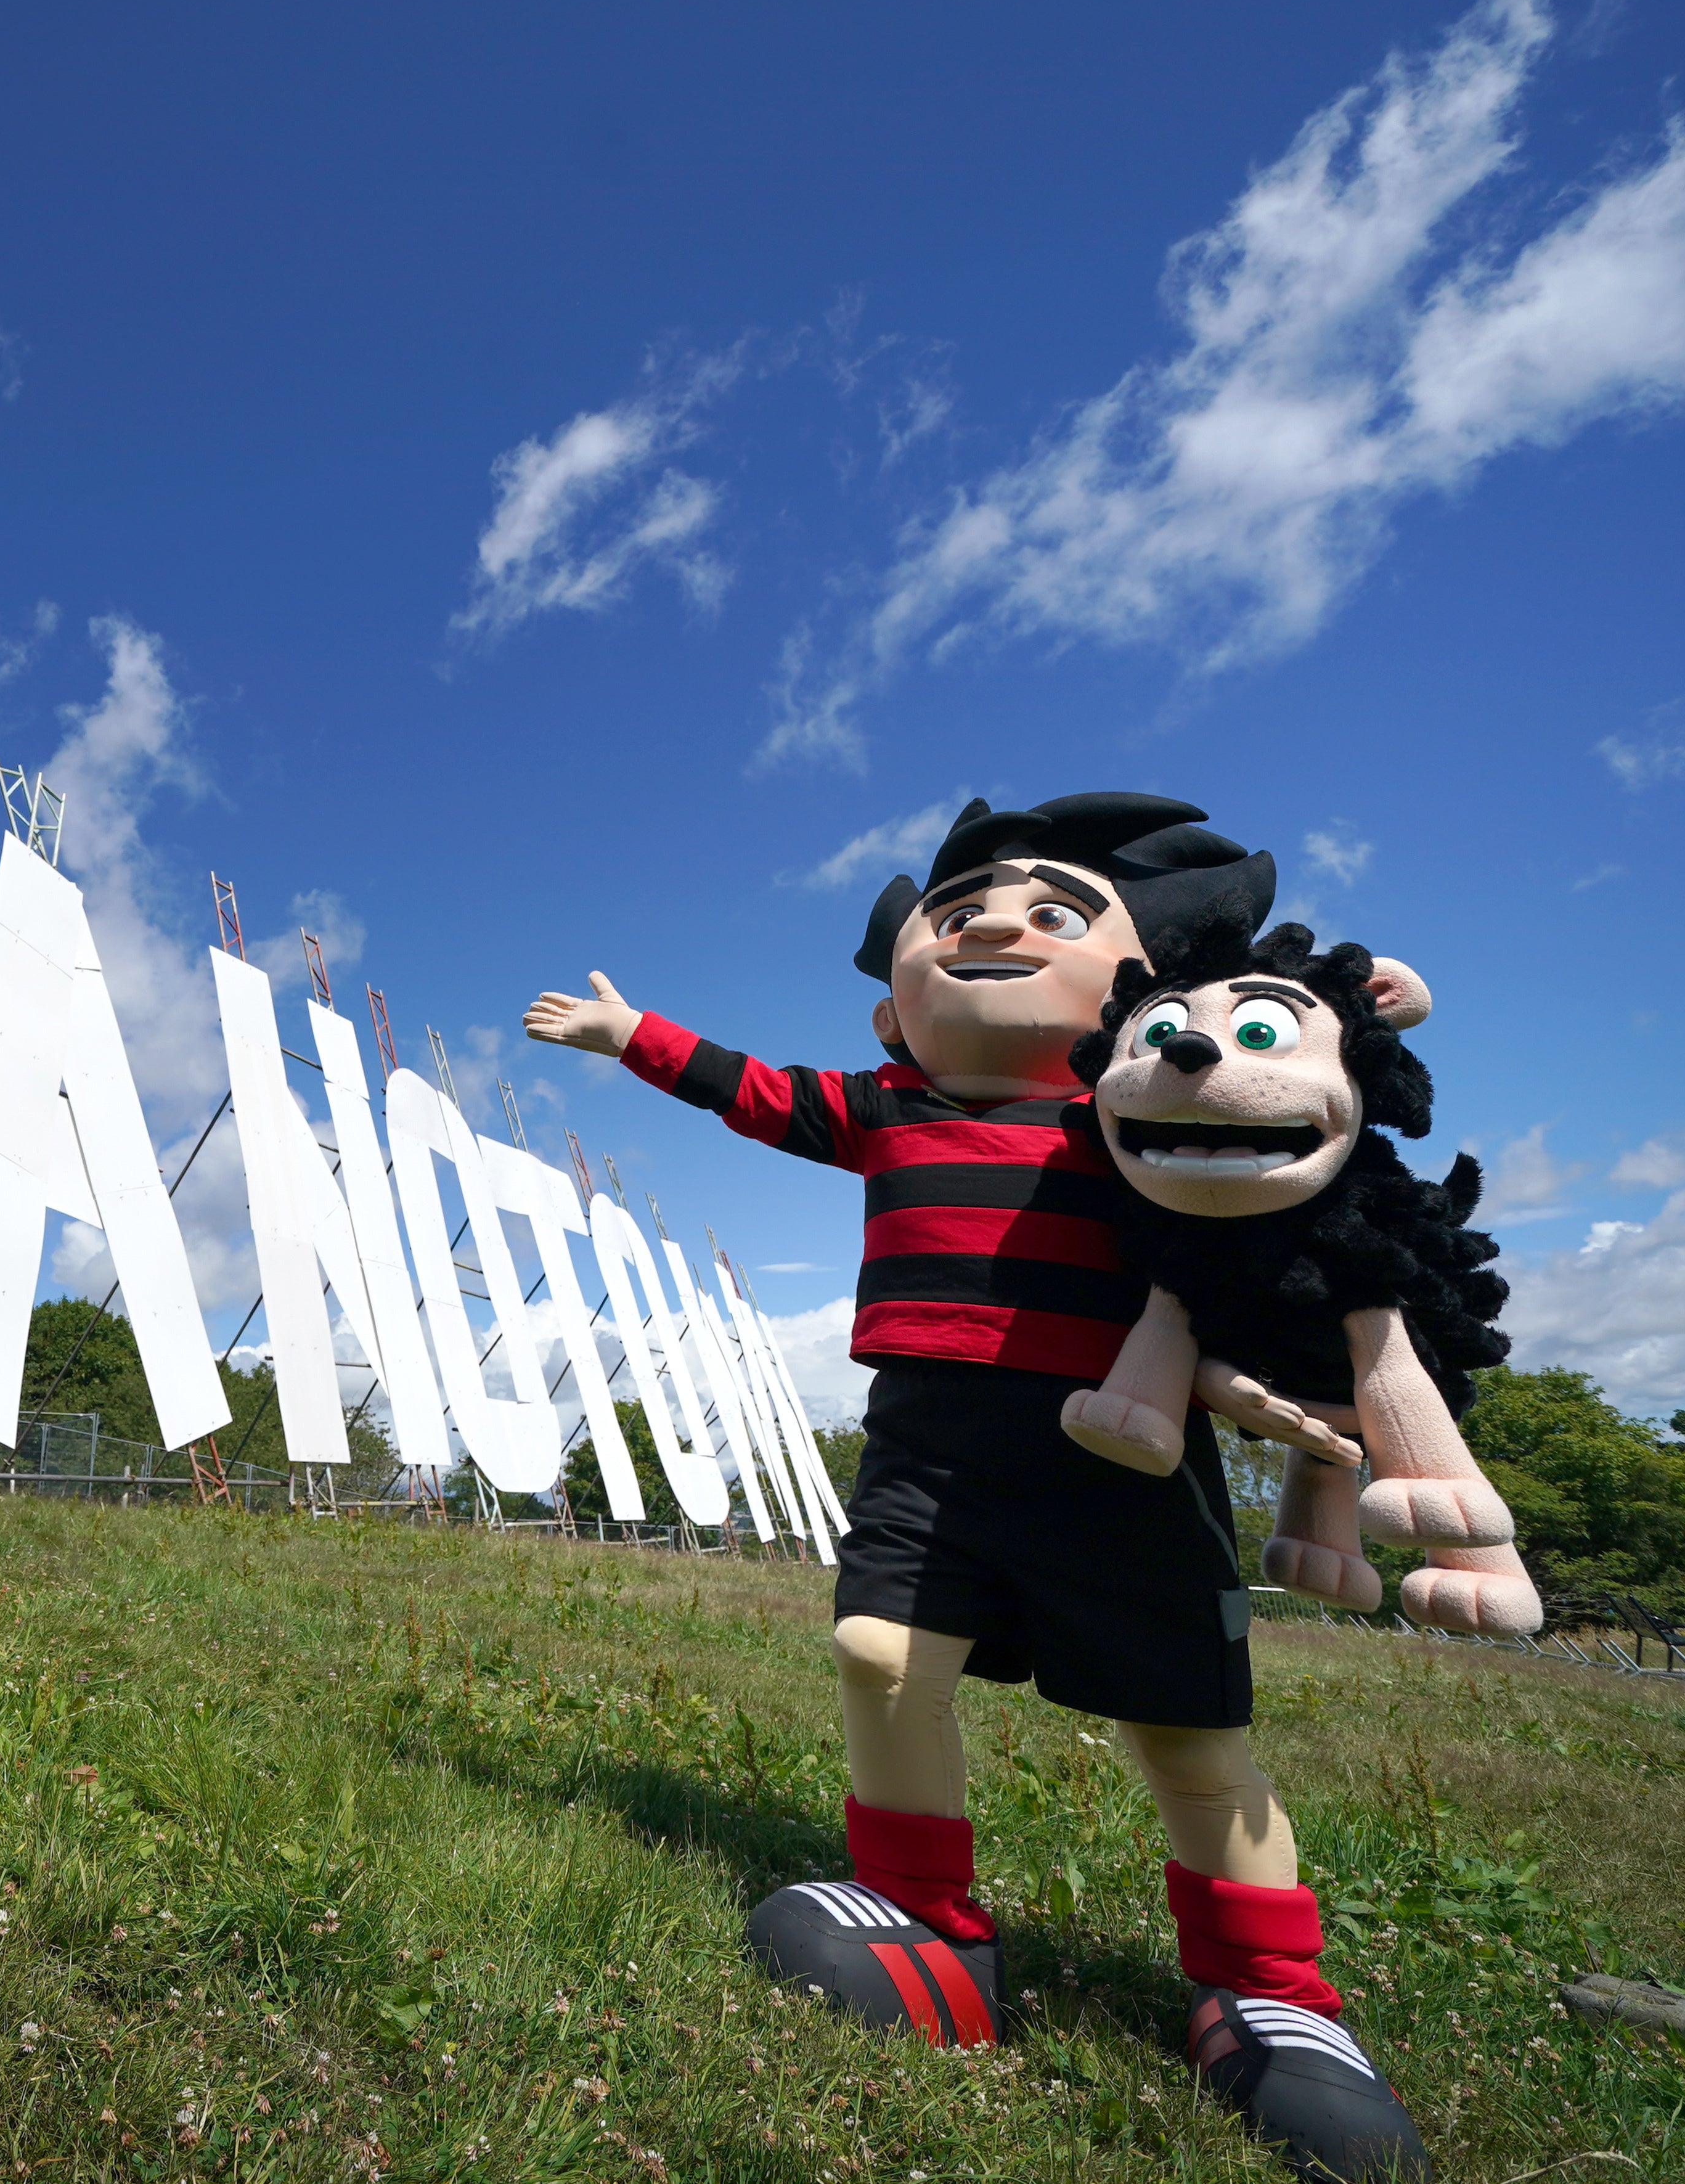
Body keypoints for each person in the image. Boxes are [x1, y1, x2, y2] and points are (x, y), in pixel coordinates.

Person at [525, 793, 1430, 2183]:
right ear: (898, 999)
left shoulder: (1135, 1120)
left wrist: (1340, 999)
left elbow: (1290, 1112)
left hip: (1117, 1456)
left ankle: (1270, 1997)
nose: (997, 926)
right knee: (880, 1650)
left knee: (1182, 1729)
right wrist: (632, 1034)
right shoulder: (887, 1109)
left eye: (1053, 915)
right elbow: (754, 1090)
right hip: (925, 1434)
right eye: (959, 918)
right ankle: (924, 1918)